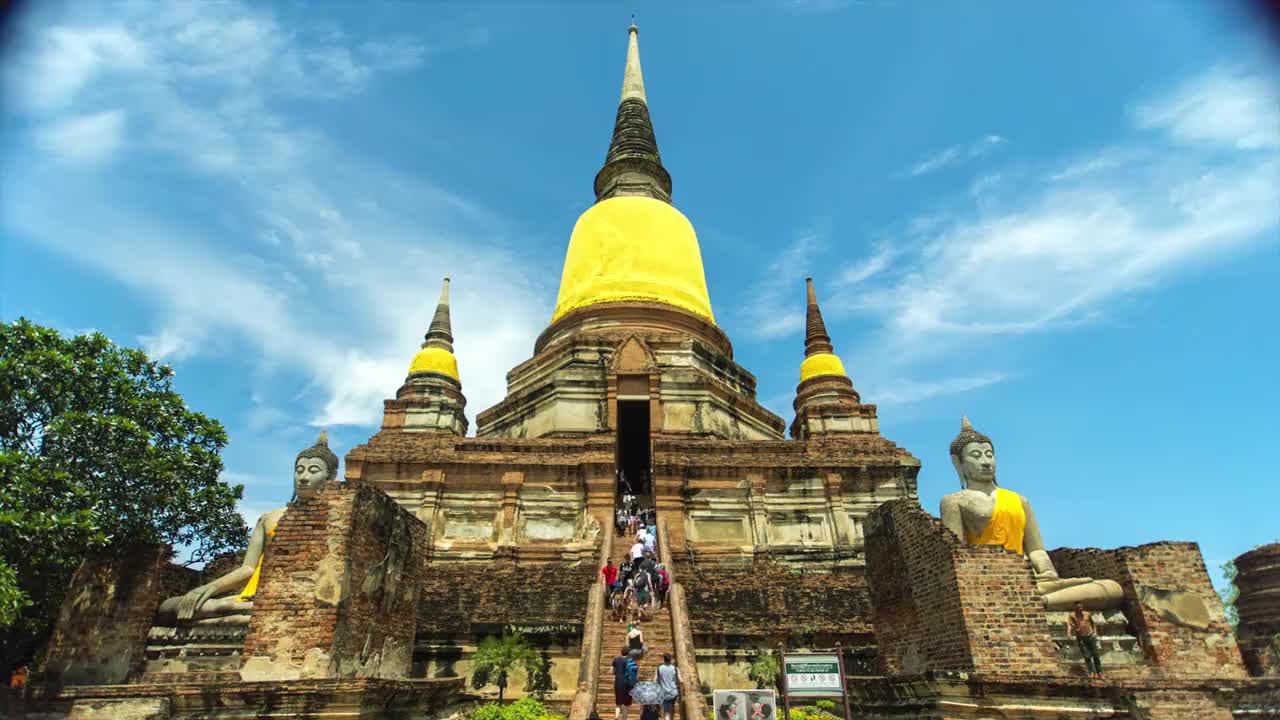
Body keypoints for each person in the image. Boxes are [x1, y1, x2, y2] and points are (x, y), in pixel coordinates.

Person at [1067, 601, 1104, 677]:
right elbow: (1070, 624)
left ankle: (1099, 672)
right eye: (1078, 607)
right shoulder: (1072, 615)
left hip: (1090, 636)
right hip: (1081, 637)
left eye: (1081, 607)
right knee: (1087, 656)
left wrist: (1094, 632)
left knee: (1095, 655)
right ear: (1075, 608)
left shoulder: (1087, 614)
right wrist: (1069, 633)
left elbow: (1093, 623)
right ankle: (1091, 672)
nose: (1080, 609)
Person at [612, 647, 637, 720]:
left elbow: (612, 671)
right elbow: (634, 673)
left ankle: (616, 717)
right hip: (628, 684)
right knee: (626, 705)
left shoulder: (616, 659)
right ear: (629, 653)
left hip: (618, 683)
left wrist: (617, 673)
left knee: (618, 703)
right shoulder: (631, 661)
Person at [655, 653, 681, 720]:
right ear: (671, 659)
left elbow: (654, 680)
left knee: (666, 712)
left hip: (664, 692)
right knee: (672, 707)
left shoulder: (659, 668)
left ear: (664, 659)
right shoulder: (675, 668)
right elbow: (681, 680)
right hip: (673, 692)